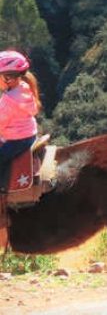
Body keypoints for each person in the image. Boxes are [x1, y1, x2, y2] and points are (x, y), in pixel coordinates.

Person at [0, 50, 40, 248]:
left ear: (8, 78)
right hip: (28, 134)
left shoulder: (8, 101)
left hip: (15, 139)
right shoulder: (23, 88)